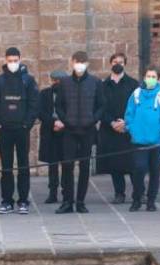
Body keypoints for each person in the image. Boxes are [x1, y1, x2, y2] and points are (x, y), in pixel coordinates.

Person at [0, 47, 39, 214]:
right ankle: (6, 200)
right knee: (6, 167)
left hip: (22, 129)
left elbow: (34, 104)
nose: (12, 63)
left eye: (15, 60)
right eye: (10, 60)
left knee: (23, 165)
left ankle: (23, 200)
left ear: (20, 59)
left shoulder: (28, 80)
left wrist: (27, 124)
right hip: (5, 129)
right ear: (5, 60)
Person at [55, 51, 105, 213]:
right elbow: (59, 105)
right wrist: (65, 119)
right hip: (69, 130)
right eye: (77, 61)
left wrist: (93, 119)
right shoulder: (64, 83)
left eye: (82, 62)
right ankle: (67, 201)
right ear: (72, 62)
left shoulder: (95, 82)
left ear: (87, 64)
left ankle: (80, 201)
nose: (79, 65)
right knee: (67, 165)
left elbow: (101, 105)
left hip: (87, 129)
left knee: (84, 166)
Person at [124, 65, 160, 212]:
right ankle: (137, 198)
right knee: (138, 169)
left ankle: (151, 200)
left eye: (153, 77)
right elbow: (129, 115)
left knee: (155, 171)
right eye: (148, 76)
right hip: (139, 141)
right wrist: (132, 130)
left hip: (157, 142)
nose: (150, 79)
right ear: (144, 77)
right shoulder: (136, 94)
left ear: (157, 79)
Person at [97, 52, 139, 204]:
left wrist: (125, 123)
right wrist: (112, 123)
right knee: (115, 164)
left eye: (120, 62)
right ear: (110, 63)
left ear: (125, 64)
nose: (117, 64)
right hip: (110, 129)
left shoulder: (133, 84)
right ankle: (119, 193)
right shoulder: (102, 86)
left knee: (133, 162)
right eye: (115, 61)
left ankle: (138, 192)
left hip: (128, 129)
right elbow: (100, 107)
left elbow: (137, 107)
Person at [38, 70, 67, 204]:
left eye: (58, 81)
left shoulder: (69, 94)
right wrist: (53, 122)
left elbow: (71, 111)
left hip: (66, 132)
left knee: (67, 163)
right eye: (54, 80)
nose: (56, 83)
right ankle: (52, 192)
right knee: (52, 164)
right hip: (50, 131)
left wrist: (63, 123)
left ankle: (66, 191)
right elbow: (41, 112)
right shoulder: (44, 94)